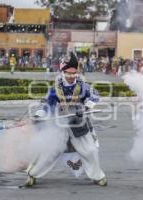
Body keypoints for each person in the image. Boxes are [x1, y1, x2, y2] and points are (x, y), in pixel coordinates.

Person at [22, 52, 107, 187]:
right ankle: (32, 174)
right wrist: (39, 115)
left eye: (74, 73)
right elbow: (47, 105)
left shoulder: (83, 86)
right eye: (68, 73)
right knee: (49, 152)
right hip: (59, 124)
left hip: (79, 124)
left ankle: (98, 177)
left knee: (90, 150)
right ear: (63, 72)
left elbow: (95, 95)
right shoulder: (55, 89)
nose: (71, 76)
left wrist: (85, 107)